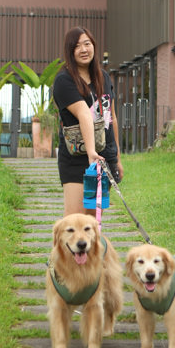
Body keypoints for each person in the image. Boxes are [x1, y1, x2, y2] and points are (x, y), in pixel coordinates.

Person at [52, 26, 123, 216]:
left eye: (87, 44)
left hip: (103, 157)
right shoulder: (64, 80)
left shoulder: (104, 77)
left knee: (92, 224)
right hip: (76, 158)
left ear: (94, 46)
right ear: (70, 51)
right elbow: (84, 114)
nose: (84, 50)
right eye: (77, 46)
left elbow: (111, 118)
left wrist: (117, 159)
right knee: (75, 223)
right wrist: (91, 152)